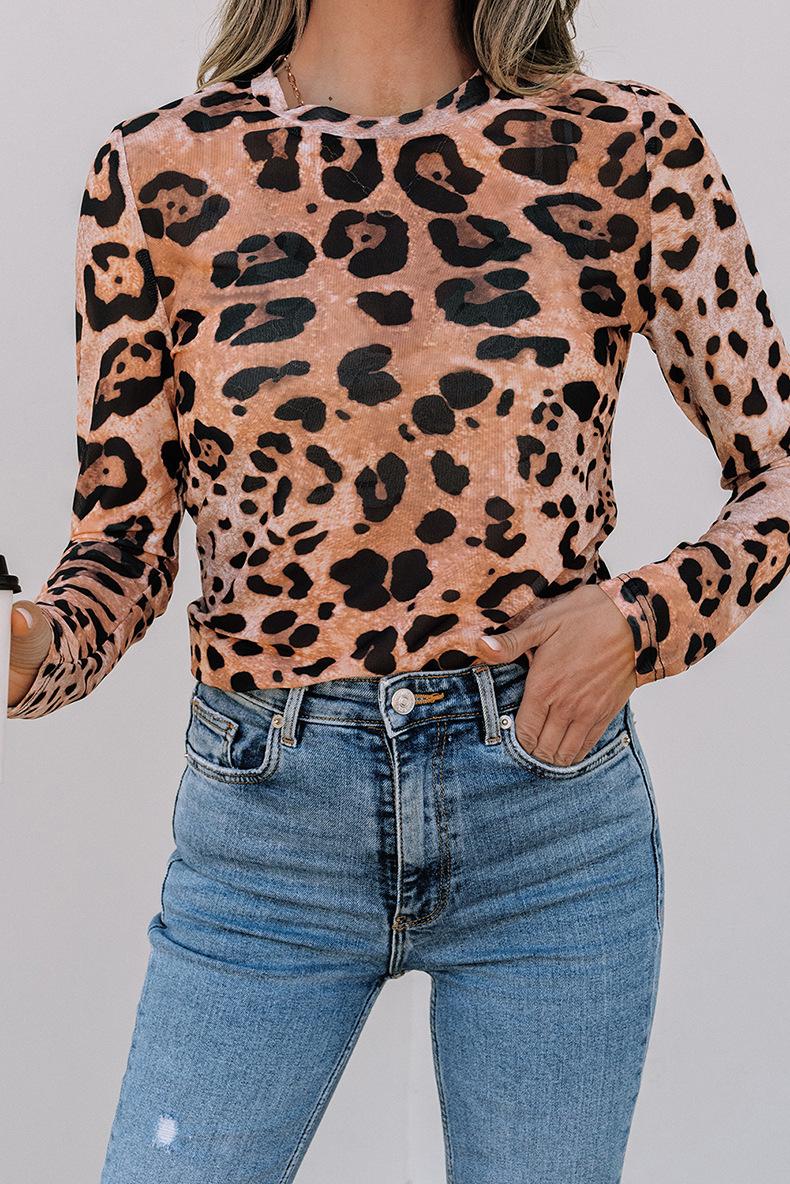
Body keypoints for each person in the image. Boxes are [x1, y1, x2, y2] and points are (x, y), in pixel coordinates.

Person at [7, 0, 790, 1179]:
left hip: (548, 821)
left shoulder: (624, 148)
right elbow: (120, 548)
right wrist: (30, 642)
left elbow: (775, 461)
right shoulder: (158, 170)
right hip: (265, 833)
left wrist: (643, 620)